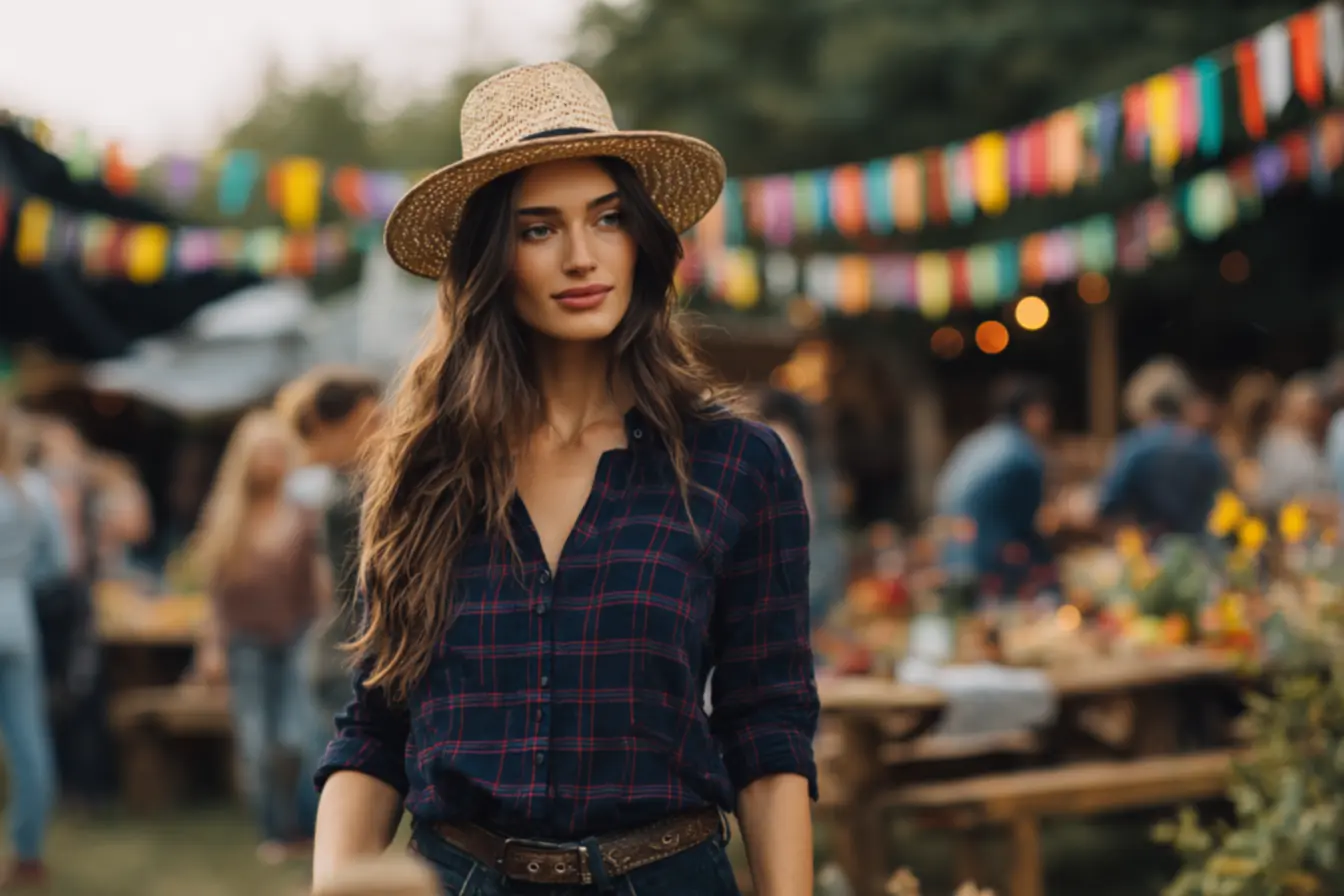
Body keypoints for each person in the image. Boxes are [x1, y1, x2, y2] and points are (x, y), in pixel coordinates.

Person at [312, 61, 818, 896]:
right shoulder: (423, 471)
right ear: (489, 258)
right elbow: (375, 724)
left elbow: (767, 722)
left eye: (608, 218)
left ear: (642, 238)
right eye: (538, 229)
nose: (583, 257)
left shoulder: (738, 464)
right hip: (462, 878)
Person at [191, 410, 328, 863]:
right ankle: (274, 830)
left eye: (276, 450)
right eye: (261, 452)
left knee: (301, 736)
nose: (270, 460)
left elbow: (322, 585)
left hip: (298, 635)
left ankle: (308, 827)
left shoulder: (305, 514)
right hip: (244, 640)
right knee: (256, 743)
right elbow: (213, 593)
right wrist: (211, 647)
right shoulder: (226, 515)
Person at [281, 367, 384, 778]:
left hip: (342, 651)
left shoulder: (345, 487)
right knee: (348, 773)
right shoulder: (351, 494)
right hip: (351, 655)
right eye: (376, 419)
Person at [0, 406, 68, 889]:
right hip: (17, 619)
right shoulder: (34, 490)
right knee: (28, 742)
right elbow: (57, 563)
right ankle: (28, 852)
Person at [934, 376, 1056, 606]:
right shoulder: (1022, 454)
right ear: (1030, 411)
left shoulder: (979, 441)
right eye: (1045, 411)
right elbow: (1028, 524)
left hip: (952, 558)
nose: (1050, 419)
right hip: (989, 570)